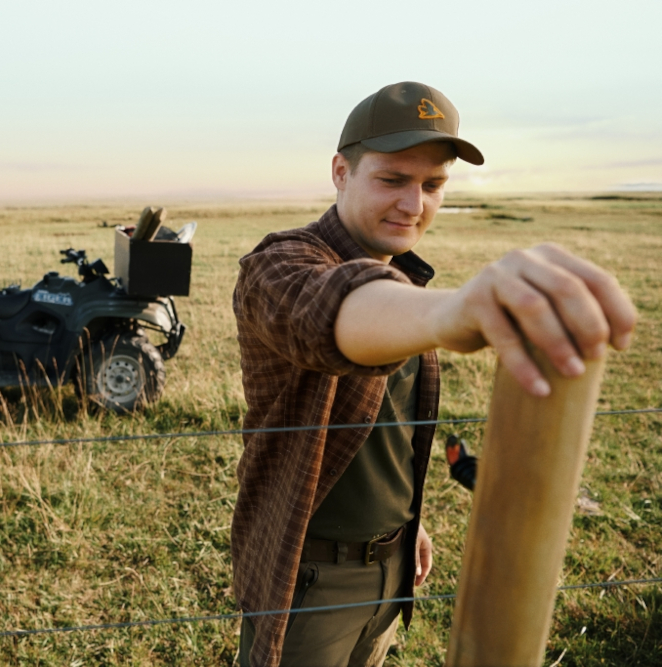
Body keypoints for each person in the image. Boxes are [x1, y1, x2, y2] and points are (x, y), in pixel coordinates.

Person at [231, 82, 636, 667]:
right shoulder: (278, 265)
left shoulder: (406, 279)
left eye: (433, 185)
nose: (414, 205)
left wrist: (405, 524)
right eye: (393, 180)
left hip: (391, 569)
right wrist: (453, 311)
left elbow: (390, 434)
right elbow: (330, 310)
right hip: (307, 577)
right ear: (341, 172)